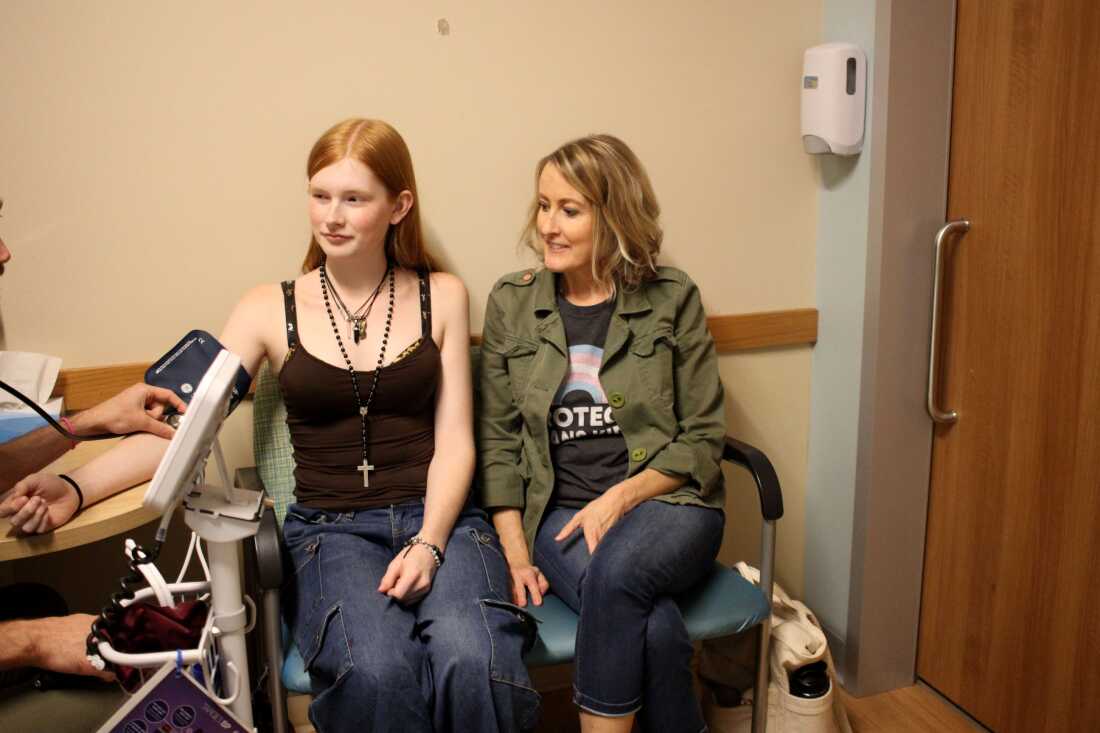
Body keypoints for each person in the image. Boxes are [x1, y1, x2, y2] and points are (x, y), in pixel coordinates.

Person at [10, 119, 539, 732]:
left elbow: (455, 443)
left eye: (354, 199)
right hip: (332, 534)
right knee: (374, 671)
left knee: (473, 657)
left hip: (441, 515)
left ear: (399, 206)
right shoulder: (267, 308)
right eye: (320, 195)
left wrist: (430, 541)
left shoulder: (441, 295)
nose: (331, 216)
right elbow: (188, 433)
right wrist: (76, 489)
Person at [478, 134, 727, 733]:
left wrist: (622, 495)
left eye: (570, 210)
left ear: (613, 217)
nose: (549, 227)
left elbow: (702, 437)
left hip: (670, 505)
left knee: (616, 575)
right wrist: (515, 550)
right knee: (658, 628)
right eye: (543, 206)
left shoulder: (672, 297)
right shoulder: (512, 304)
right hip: (560, 514)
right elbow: (499, 444)